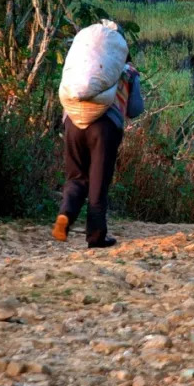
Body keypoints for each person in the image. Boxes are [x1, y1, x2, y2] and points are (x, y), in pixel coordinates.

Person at [52, 54, 144, 248]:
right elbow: (136, 109)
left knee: (76, 177)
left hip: (72, 123)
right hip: (104, 127)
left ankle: (65, 214)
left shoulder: (81, 64)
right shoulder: (128, 71)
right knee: (98, 181)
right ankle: (96, 236)